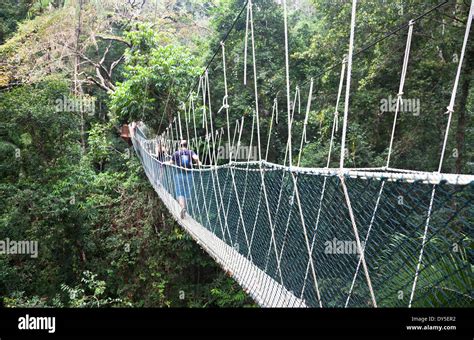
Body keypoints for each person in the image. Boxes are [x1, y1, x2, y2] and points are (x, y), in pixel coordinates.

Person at [168, 140, 201, 219]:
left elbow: (171, 162)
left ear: (180, 145)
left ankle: (182, 207)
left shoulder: (176, 153)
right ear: (187, 145)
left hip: (179, 175)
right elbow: (196, 158)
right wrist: (198, 163)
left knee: (180, 192)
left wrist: (165, 162)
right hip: (189, 175)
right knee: (187, 192)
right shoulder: (190, 152)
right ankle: (185, 207)